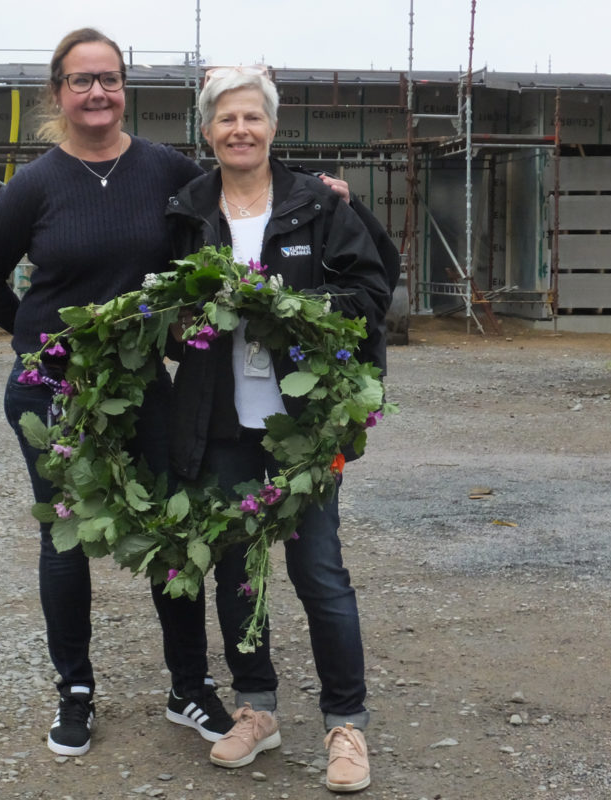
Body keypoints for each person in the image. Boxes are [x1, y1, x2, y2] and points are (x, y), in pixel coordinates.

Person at [0, 28, 233, 757]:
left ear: (125, 89)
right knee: (66, 539)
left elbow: (239, 194)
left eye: (108, 79)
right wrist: (40, 343)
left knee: (170, 530)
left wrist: (321, 190)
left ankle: (188, 688)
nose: (96, 93)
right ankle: (75, 691)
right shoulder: (36, 185)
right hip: (51, 390)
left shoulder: (165, 170)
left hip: (141, 385)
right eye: (81, 81)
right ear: (59, 93)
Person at [164, 66, 390, 793]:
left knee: (318, 572)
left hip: (302, 424)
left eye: (251, 119)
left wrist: (287, 309)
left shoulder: (315, 205)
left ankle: (345, 724)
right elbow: (165, 322)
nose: (239, 130)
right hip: (220, 423)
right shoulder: (187, 212)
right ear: (207, 132)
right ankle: (255, 709)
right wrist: (183, 327)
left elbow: (369, 291)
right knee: (235, 572)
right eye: (226, 119)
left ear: (272, 128)